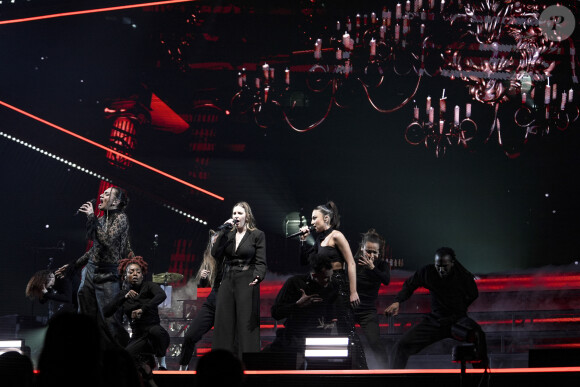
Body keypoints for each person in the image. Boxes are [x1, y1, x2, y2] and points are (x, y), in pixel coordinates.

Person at [384, 247, 488, 369]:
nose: (441, 270)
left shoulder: (463, 277)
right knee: (401, 346)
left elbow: (473, 294)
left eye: (445, 266)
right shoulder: (428, 272)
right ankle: (392, 379)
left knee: (478, 336)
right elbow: (410, 284)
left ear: (452, 264)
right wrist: (398, 301)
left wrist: (460, 308)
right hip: (435, 322)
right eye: (438, 266)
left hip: (457, 321)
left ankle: (482, 377)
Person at [299, 201, 367, 368]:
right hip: (322, 287)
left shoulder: (336, 235)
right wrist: (303, 240)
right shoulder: (318, 240)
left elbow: (351, 263)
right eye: (311, 218)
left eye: (315, 218)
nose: (312, 221)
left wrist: (353, 291)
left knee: (347, 329)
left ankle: (361, 370)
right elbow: (304, 262)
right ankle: (325, 368)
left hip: (338, 285)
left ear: (326, 218)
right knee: (322, 328)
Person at [75, 186, 132, 349]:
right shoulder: (100, 220)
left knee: (109, 320)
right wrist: (74, 265)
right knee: (85, 316)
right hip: (91, 270)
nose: (101, 195)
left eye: (107, 194)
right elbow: (95, 250)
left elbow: (106, 241)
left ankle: (114, 360)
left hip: (108, 273)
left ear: (116, 201)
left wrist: (91, 216)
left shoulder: (121, 218)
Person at [211, 201, 266, 356]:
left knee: (246, 323)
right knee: (223, 322)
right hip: (228, 280)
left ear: (247, 216)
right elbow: (215, 254)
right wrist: (222, 233)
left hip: (247, 279)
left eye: (239, 213)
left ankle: (248, 362)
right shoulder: (228, 235)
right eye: (234, 213)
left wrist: (259, 276)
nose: (236, 216)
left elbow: (261, 261)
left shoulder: (257, 235)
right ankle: (222, 361)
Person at [265, 254, 337, 366]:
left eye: (330, 276)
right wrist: (297, 305)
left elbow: (332, 314)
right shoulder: (295, 283)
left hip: (318, 341)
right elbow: (276, 313)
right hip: (294, 338)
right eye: (325, 278)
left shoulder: (331, 287)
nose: (329, 281)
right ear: (314, 275)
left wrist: (330, 324)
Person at [103, 254, 170, 370]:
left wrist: (143, 309)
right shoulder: (123, 294)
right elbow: (106, 312)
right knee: (125, 358)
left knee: (157, 332)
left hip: (154, 331)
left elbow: (162, 295)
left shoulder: (149, 286)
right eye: (131, 272)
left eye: (138, 272)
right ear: (125, 276)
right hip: (138, 335)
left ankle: (162, 364)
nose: (135, 274)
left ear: (142, 276)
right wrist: (124, 298)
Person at [178, 230, 219, 370]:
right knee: (190, 335)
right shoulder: (209, 258)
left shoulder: (230, 258)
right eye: (213, 241)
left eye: (218, 241)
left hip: (228, 304)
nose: (215, 243)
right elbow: (202, 285)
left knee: (224, 342)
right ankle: (183, 368)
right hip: (213, 302)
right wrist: (202, 277)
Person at [353, 229, 391, 368]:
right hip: (350, 308)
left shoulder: (381, 265)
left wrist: (372, 268)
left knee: (375, 342)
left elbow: (386, 280)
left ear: (379, 252)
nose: (371, 255)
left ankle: (387, 372)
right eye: (368, 251)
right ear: (362, 249)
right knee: (350, 342)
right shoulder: (353, 263)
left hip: (367, 311)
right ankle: (358, 369)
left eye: (375, 252)